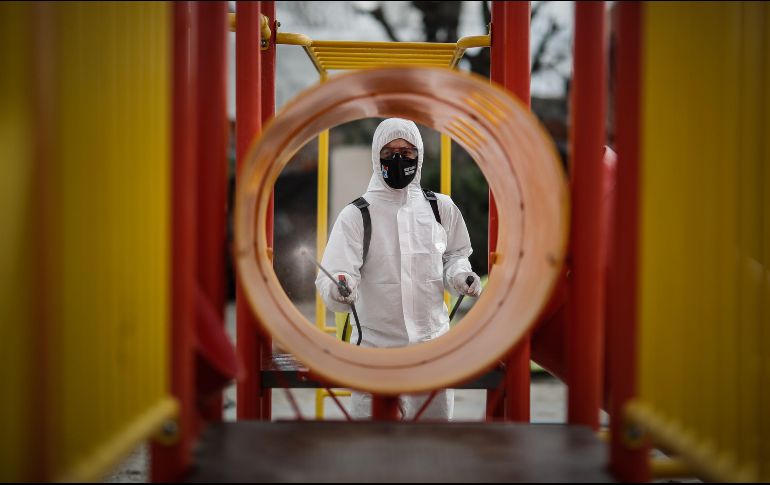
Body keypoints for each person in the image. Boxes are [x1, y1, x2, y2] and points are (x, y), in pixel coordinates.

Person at [315, 118, 481, 420]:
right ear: (376, 155)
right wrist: (341, 287)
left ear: (419, 156)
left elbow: (456, 255)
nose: (398, 158)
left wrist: (460, 276)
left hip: (433, 352)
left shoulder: (439, 207)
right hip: (376, 355)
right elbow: (334, 274)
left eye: (406, 152)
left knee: (432, 447)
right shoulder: (356, 215)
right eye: (389, 151)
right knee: (376, 450)